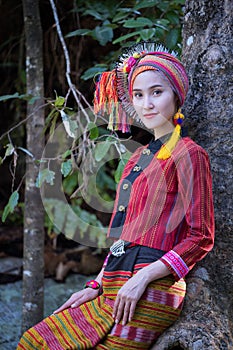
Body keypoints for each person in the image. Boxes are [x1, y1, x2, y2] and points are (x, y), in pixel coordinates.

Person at [17, 41, 214, 349]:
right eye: (138, 95)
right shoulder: (137, 159)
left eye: (156, 92)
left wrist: (143, 278)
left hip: (153, 287)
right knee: (35, 341)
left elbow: (201, 237)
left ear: (177, 95)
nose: (146, 103)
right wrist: (96, 283)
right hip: (114, 282)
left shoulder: (190, 154)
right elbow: (126, 237)